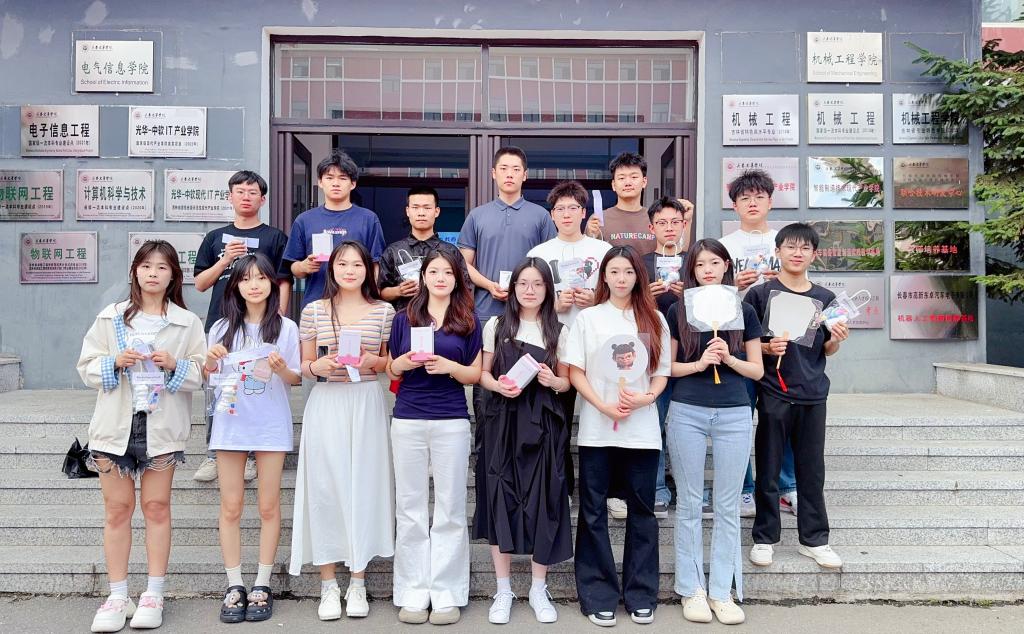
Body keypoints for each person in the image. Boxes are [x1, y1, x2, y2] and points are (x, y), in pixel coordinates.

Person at [77, 240, 206, 632]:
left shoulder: (186, 322)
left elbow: (201, 374)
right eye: (147, 266)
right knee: (117, 510)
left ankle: (154, 593)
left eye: (162, 267)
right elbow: (85, 367)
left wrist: (175, 364)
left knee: (156, 507)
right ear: (135, 271)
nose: (153, 273)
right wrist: (114, 361)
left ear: (173, 276)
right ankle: (118, 595)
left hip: (161, 428)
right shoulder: (111, 318)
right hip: (115, 426)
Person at [565, 246, 671, 627]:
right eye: (614, 271)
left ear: (638, 276)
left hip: (641, 432)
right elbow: (575, 371)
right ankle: (598, 594)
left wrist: (647, 398)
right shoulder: (588, 318)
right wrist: (601, 406)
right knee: (593, 511)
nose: (621, 278)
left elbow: (662, 372)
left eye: (628, 271)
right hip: (598, 430)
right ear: (604, 276)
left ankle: (641, 594)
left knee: (642, 511)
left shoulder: (655, 318)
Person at [289, 241, 396, 620]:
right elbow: (303, 364)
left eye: (357, 264)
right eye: (342, 264)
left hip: (366, 400)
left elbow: (390, 362)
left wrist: (373, 361)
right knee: (325, 488)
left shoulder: (384, 311)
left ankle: (358, 581)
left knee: (363, 486)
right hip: (327, 401)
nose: (350, 270)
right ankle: (328, 585)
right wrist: (316, 368)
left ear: (369, 270)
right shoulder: (314, 310)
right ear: (331, 269)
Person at [665, 239, 764, 626]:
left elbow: (756, 370)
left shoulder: (743, 309)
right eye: (699, 264)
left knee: (727, 505)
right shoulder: (679, 309)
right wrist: (700, 363)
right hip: (687, 409)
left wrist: (730, 359)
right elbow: (667, 367)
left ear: (726, 266)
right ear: (691, 270)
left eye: (714, 263)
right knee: (690, 504)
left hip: (735, 412)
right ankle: (692, 589)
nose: (707, 270)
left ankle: (722, 591)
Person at [472, 257, 573, 625]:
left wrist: (553, 381)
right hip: (502, 422)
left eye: (538, 284)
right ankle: (503, 590)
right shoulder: (496, 325)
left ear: (548, 289)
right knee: (499, 497)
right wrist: (497, 385)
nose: (530, 290)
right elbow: (481, 374)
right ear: (513, 288)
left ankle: (538, 588)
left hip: (543, 424)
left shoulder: (559, 331)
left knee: (543, 500)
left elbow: (567, 382)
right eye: (523, 283)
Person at [202, 254, 301, 623]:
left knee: (268, 507)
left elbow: (296, 379)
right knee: (230, 506)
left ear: (271, 284)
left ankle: (262, 583)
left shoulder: (286, 328)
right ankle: (234, 584)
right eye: (246, 279)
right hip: (231, 425)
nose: (254, 285)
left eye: (261, 278)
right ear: (236, 286)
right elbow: (210, 379)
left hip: (270, 425)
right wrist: (209, 362)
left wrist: (282, 369)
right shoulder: (221, 329)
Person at [386, 249, 483, 626]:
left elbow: (474, 375)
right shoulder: (404, 318)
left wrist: (449, 366)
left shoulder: (467, 320)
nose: (440, 278)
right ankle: (413, 590)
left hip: (451, 419)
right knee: (410, 506)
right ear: (423, 277)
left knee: (450, 507)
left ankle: (446, 593)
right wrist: (403, 362)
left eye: (448, 272)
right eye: (434, 272)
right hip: (408, 417)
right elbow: (391, 368)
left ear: (457, 279)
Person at [745, 223, 849, 571]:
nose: (797, 253)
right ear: (777, 251)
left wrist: (837, 339)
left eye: (805, 248)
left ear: (814, 255)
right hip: (774, 389)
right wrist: (766, 347)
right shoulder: (760, 295)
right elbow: (744, 343)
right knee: (769, 467)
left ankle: (815, 540)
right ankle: (764, 538)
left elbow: (828, 349)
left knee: (812, 470)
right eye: (790, 246)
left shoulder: (826, 298)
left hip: (813, 392)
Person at [193, 170, 291, 484]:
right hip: (223, 324)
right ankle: (215, 452)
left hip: (262, 326)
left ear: (263, 199)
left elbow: (283, 281)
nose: (246, 197)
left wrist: (276, 318)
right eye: (240, 191)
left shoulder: (274, 237)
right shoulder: (215, 237)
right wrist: (224, 261)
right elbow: (200, 283)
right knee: (218, 386)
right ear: (230, 196)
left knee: (257, 384)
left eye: (252, 192)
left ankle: (249, 454)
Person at [526, 180, 612, 500]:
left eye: (572, 208)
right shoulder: (539, 254)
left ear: (583, 212)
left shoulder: (602, 252)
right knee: (556, 419)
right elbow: (526, 301)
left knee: (601, 417)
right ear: (551, 215)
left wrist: (596, 300)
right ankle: (560, 486)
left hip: (596, 345)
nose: (566, 214)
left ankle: (604, 491)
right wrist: (554, 305)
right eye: (559, 209)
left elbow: (620, 295)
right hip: (554, 345)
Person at [719, 169, 795, 520]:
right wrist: (733, 286)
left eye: (759, 197)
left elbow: (804, 286)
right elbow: (711, 297)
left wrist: (782, 280)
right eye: (744, 198)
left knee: (782, 418)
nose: (752, 203)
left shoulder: (787, 241)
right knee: (739, 419)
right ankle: (746, 489)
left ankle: (787, 486)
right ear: (734, 205)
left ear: (770, 202)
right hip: (740, 341)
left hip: (782, 340)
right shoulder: (724, 246)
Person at [283, 149, 386, 309]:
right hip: (316, 304)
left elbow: (375, 265)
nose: (336, 183)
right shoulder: (304, 220)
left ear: (353, 184)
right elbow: (293, 267)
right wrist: (304, 266)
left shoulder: (368, 219)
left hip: (358, 305)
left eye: (342, 178)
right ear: (320, 182)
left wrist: (371, 299)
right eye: (329, 178)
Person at [640, 197, 690, 519]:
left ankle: (688, 491)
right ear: (651, 228)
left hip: (689, 355)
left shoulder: (695, 261)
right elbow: (626, 303)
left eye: (675, 222)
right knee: (654, 423)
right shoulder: (641, 263)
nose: (669, 228)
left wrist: (691, 295)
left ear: (684, 225)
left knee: (685, 427)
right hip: (652, 354)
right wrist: (646, 296)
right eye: (662, 223)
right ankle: (657, 488)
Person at [585, 152, 694, 257]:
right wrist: (591, 234)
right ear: (613, 184)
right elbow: (589, 257)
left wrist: (687, 220)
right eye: (621, 178)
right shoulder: (599, 219)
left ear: (644, 182)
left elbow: (678, 251)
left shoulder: (656, 217)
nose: (628, 183)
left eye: (634, 177)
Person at [378, 185, 468, 312]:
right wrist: (398, 290)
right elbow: (381, 292)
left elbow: (465, 288)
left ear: (436, 211)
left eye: (427, 208)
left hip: (444, 318)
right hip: (405, 318)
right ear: (407, 211)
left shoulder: (450, 251)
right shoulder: (393, 251)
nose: (421, 213)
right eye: (415, 207)